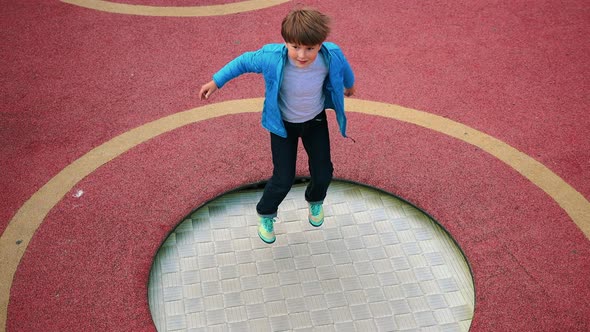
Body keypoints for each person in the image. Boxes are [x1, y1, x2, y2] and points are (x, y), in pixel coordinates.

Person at [199, 7, 355, 244]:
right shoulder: (272, 57)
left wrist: (350, 85)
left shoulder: (331, 55)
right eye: (295, 47)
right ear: (286, 42)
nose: (301, 55)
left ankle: (315, 200)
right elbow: (243, 62)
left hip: (314, 121)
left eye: (310, 49)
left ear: (321, 44)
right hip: (283, 125)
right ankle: (266, 213)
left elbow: (344, 68)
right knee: (283, 177)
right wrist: (216, 81)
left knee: (324, 172)